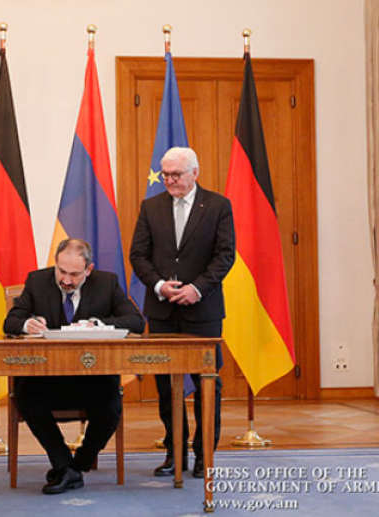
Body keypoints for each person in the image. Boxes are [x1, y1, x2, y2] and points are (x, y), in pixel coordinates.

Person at [4, 238, 145, 494]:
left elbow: (136, 322)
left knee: (111, 405)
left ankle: (75, 466)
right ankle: (64, 464)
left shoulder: (107, 283)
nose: (66, 280)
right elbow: (10, 321)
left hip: (93, 377)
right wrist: (27, 324)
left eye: (75, 275)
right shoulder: (37, 281)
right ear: (55, 263)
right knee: (26, 396)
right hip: (47, 377)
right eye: (62, 272)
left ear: (89, 270)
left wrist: (99, 325)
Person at [129, 147, 235, 479]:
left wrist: (197, 288)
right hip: (162, 312)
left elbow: (225, 255)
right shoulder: (151, 207)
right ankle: (175, 453)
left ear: (194, 173)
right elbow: (138, 255)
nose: (170, 180)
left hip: (203, 311)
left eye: (176, 174)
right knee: (166, 386)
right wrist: (160, 285)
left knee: (207, 385)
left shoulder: (217, 206)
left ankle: (204, 455)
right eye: (166, 175)